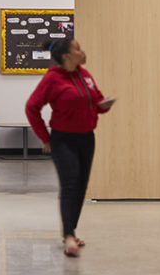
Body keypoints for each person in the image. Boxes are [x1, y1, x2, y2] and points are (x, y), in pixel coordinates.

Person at [24, 38, 116, 258]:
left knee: (81, 186)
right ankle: (69, 236)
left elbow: (95, 99)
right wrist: (45, 138)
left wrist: (102, 106)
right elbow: (31, 107)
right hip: (63, 140)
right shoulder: (52, 79)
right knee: (70, 184)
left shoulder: (84, 75)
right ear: (67, 56)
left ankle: (70, 232)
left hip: (87, 138)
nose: (82, 52)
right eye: (78, 49)